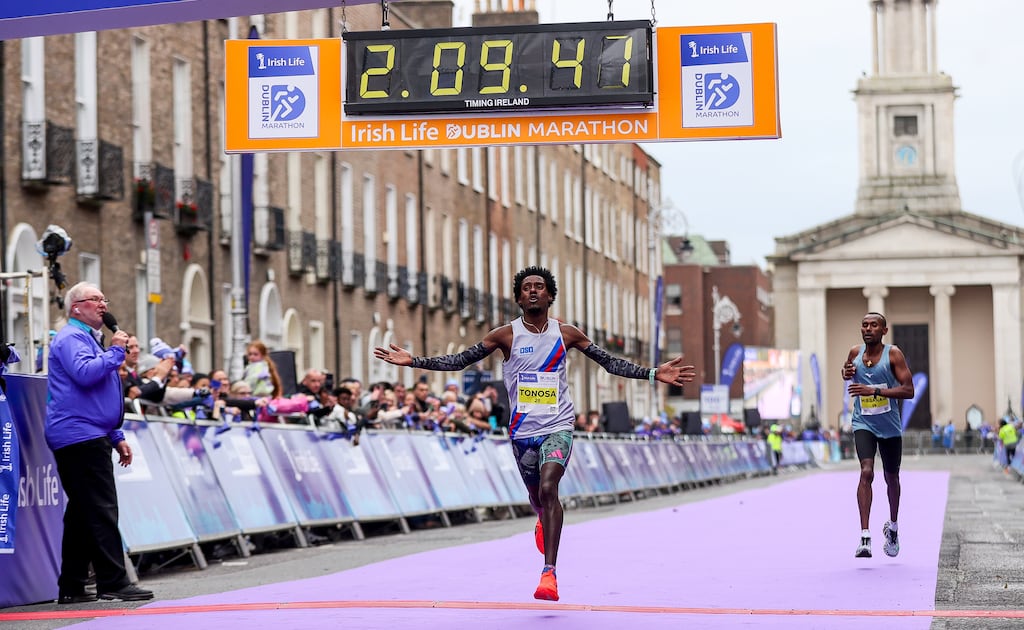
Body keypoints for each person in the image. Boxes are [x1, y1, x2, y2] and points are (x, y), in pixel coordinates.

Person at [374, 266, 695, 601]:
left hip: (559, 426)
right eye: (526, 287)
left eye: (539, 286)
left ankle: (549, 574)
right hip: (522, 432)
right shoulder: (505, 335)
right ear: (518, 297)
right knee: (538, 498)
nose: (532, 291)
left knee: (549, 487)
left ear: (550, 295)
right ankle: (543, 518)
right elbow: (460, 361)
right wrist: (413, 362)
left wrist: (653, 373)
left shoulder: (566, 334)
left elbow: (609, 362)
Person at [44, 282, 154, 603]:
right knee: (102, 510)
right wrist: (117, 352)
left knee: (82, 513)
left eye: (104, 299)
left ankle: (73, 586)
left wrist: (115, 435)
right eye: (95, 300)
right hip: (79, 435)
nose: (103, 305)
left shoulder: (89, 338)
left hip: (90, 431)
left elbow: (96, 393)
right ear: (76, 307)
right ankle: (113, 581)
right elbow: (85, 374)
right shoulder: (71, 338)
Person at [841, 312, 914, 559]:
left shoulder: (893, 354)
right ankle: (864, 537)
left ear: (884, 330)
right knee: (866, 471)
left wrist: (874, 390)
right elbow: (848, 372)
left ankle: (892, 527)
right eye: (864, 325)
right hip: (864, 422)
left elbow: (909, 390)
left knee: (891, 478)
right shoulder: (854, 352)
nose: (868, 328)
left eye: (874, 325)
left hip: (889, 426)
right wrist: (846, 372)